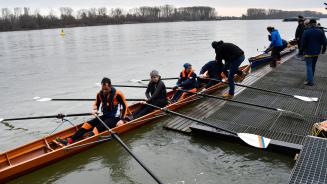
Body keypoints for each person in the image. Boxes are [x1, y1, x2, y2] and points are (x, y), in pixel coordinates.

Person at [57, 77, 128, 145]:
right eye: (103, 89)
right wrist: (95, 110)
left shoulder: (118, 94)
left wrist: (122, 119)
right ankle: (69, 141)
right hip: (105, 116)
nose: (104, 91)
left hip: (115, 118)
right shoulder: (100, 94)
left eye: (106, 89)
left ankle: (86, 141)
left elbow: (125, 106)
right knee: (87, 124)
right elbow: (96, 104)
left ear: (110, 86)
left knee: (96, 128)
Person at [301, 19, 327, 86]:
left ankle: (310, 81)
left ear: (309, 24)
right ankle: (311, 77)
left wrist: (301, 51)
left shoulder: (306, 32)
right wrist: (323, 50)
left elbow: (303, 43)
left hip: (308, 52)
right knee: (313, 65)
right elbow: (325, 42)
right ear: (316, 23)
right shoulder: (320, 31)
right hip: (316, 52)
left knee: (309, 66)